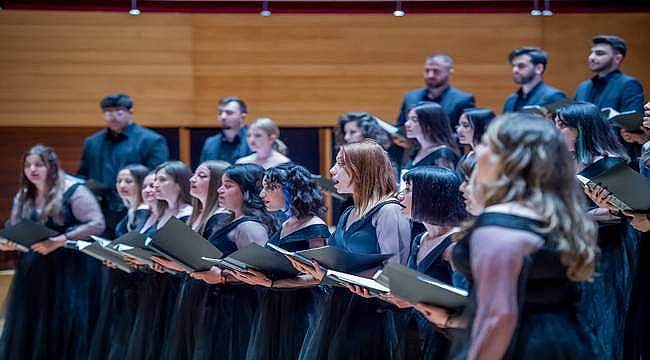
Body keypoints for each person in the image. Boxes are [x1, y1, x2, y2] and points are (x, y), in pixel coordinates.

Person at [418, 113, 599, 359]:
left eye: (488, 144)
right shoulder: (552, 213)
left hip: (517, 347)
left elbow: (498, 317)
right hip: (563, 342)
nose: (479, 149)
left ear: (507, 160)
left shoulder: (500, 224)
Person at [289, 140, 411, 360]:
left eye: (339, 163)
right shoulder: (349, 212)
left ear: (361, 168)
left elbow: (397, 272)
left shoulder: (389, 211)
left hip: (374, 312)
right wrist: (317, 269)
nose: (331, 170)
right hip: (342, 303)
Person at [0, 145, 105, 360]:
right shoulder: (24, 195)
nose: (33, 169)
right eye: (28, 165)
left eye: (39, 164)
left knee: (63, 320)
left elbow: (97, 223)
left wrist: (60, 240)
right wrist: (8, 242)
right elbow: (15, 226)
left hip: (67, 267)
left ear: (52, 166)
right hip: (34, 267)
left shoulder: (74, 189)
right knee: (31, 320)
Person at [557, 102, 639, 360]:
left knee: (600, 322)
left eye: (561, 125)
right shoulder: (561, 162)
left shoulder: (610, 164)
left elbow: (624, 212)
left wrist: (580, 215)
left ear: (581, 129)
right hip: (570, 250)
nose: (554, 129)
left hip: (605, 252)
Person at [227, 165, 330, 360]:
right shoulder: (285, 223)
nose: (262, 193)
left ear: (290, 188)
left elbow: (318, 277)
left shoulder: (315, 225)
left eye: (269, 187)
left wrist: (273, 282)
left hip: (301, 308)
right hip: (276, 303)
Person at [190, 163, 276, 360]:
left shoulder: (250, 227)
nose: (220, 190)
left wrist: (221, 278)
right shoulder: (229, 220)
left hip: (239, 309)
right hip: (221, 303)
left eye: (228, 185)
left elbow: (262, 276)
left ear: (247, 190)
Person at [384, 166, 468, 359]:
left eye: (408, 190)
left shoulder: (455, 244)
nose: (399, 195)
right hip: (416, 330)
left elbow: (466, 303)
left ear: (429, 196)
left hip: (444, 338)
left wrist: (412, 300)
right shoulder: (419, 239)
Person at [161, 160, 233, 360]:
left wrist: (178, 263)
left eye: (202, 176)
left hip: (211, 293)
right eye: (194, 174)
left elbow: (212, 260)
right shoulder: (195, 215)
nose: (193, 179)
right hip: (191, 287)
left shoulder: (220, 217)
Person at [126, 161, 192, 360]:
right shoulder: (160, 213)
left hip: (173, 286)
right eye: (155, 180)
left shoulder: (187, 214)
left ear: (179, 184)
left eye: (161, 180)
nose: (155, 185)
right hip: (154, 285)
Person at [77, 93, 169, 235]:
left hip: (138, 208)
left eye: (118, 112)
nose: (113, 117)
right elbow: (83, 174)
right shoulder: (92, 142)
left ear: (130, 112)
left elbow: (156, 177)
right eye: (107, 113)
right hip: (100, 210)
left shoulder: (152, 140)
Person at [89, 164, 149, 360]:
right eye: (119, 181)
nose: (122, 185)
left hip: (138, 280)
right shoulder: (128, 209)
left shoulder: (144, 211)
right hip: (122, 275)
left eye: (128, 181)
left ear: (141, 184)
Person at [396, 54, 475, 130]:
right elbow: (400, 127)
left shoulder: (463, 100)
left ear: (449, 72)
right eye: (427, 70)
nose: (430, 75)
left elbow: (469, 132)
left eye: (436, 71)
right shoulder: (410, 97)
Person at [503, 47, 566, 113]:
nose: (515, 70)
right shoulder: (510, 100)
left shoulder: (554, 97)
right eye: (513, 66)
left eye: (521, 66)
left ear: (539, 68)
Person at [403, 102, 460, 173]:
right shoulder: (415, 149)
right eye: (408, 119)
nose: (407, 124)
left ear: (431, 123)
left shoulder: (443, 154)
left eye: (414, 120)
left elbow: (446, 183)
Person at [200, 96, 252, 165]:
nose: (223, 117)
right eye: (220, 113)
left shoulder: (253, 141)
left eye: (229, 113)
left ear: (242, 117)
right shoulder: (210, 143)